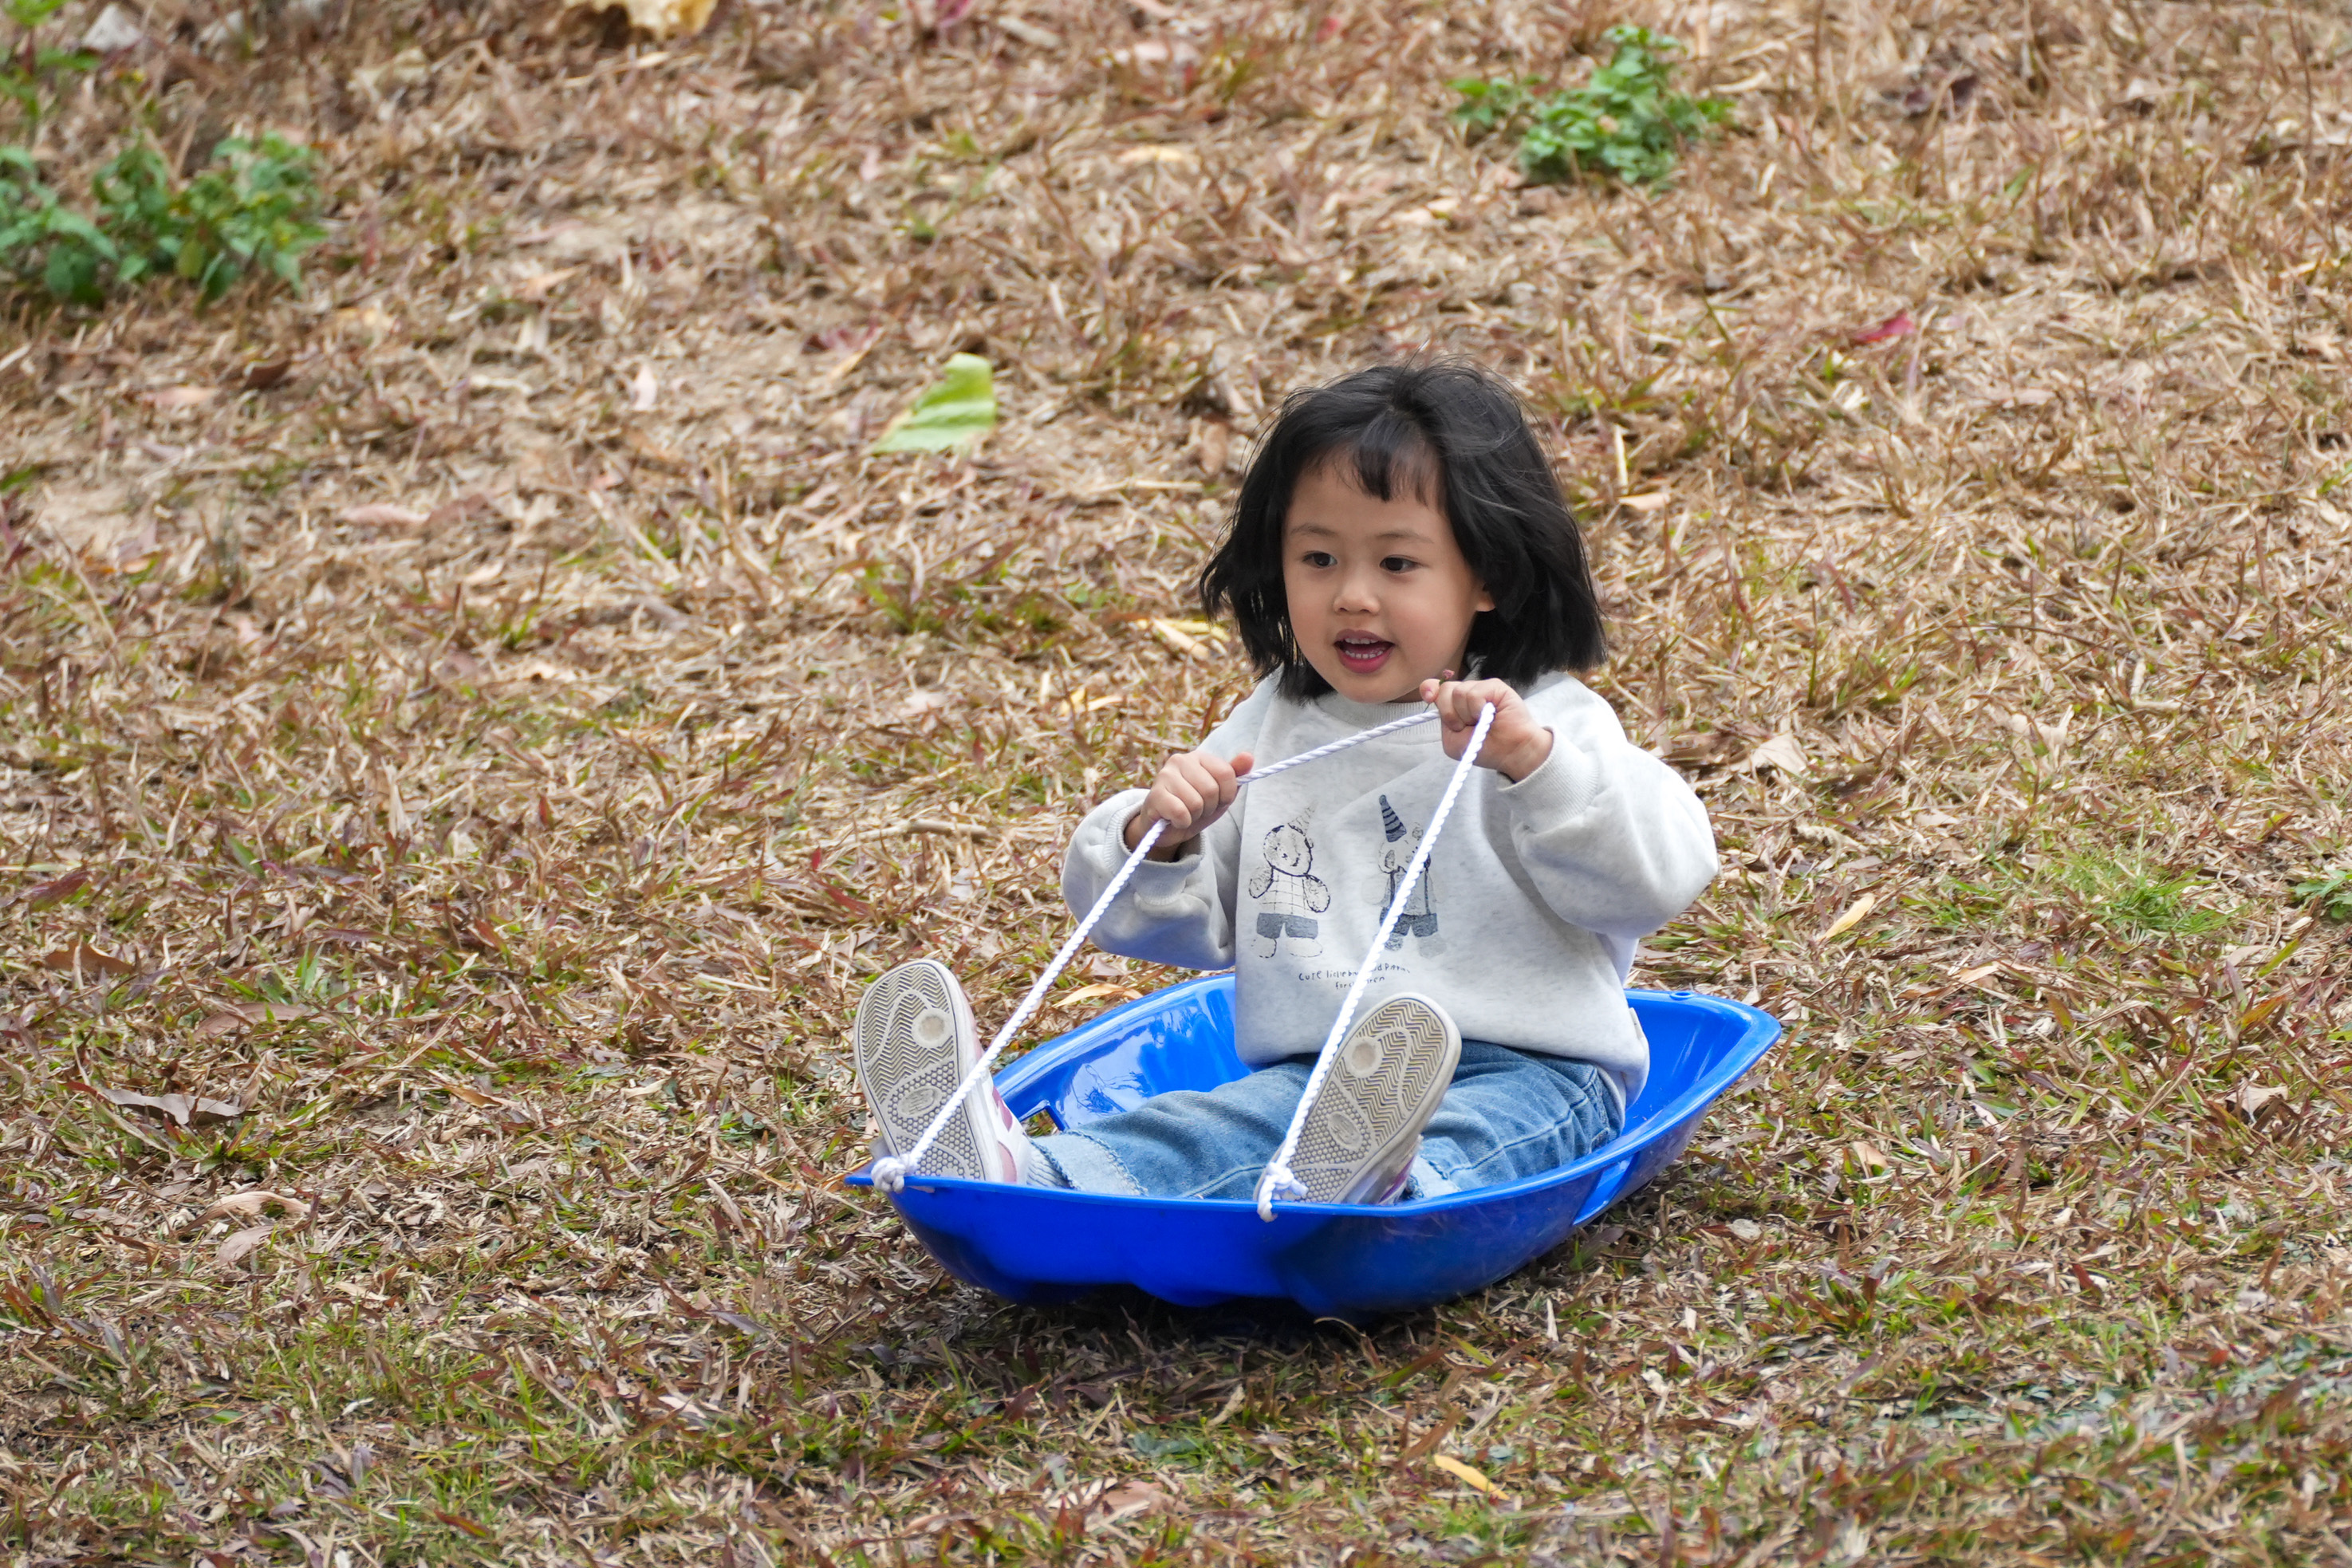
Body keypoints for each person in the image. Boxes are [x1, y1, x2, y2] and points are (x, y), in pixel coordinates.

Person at [853, 361, 1717, 1206]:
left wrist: (1537, 766)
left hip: (1535, 1068)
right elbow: (1164, 921)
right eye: (1318, 558)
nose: (1352, 596)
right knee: (1207, 1130)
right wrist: (1163, 835)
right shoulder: (1273, 725)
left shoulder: (1543, 718)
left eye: (1398, 564)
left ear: (1486, 574)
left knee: (1488, 1133)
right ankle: (1022, 1172)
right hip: (1327, 1081)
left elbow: (1655, 881)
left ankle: (1402, 1192)